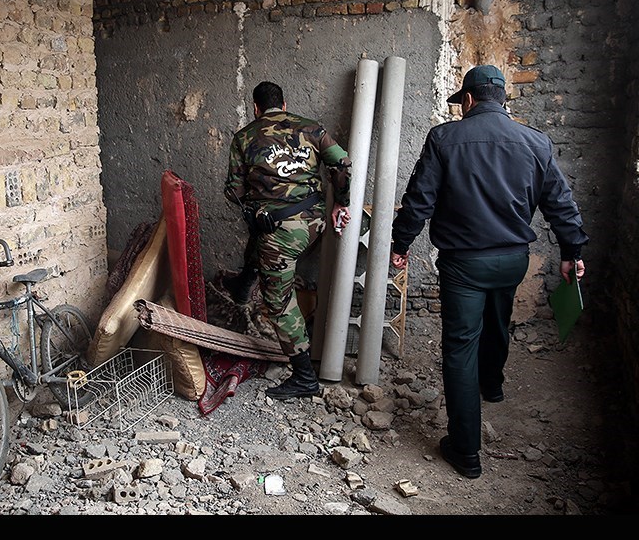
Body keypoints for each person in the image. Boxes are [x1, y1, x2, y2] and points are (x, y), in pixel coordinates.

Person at [390, 65, 589, 479]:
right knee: (498, 317)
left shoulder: (444, 138)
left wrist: (401, 243)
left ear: (467, 99)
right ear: (503, 100)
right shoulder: (536, 141)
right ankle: (492, 385)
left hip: (465, 263)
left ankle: (465, 451)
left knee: (460, 346)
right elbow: (560, 203)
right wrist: (572, 250)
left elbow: (419, 199)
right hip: (513, 260)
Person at [224, 81, 352, 400]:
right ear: (283, 104)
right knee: (261, 242)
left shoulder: (245, 137)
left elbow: (234, 191)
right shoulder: (311, 128)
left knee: (278, 302)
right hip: (315, 221)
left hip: (281, 232)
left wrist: (252, 207)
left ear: (255, 107)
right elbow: (342, 163)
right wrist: (342, 203)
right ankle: (244, 282)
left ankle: (304, 378)